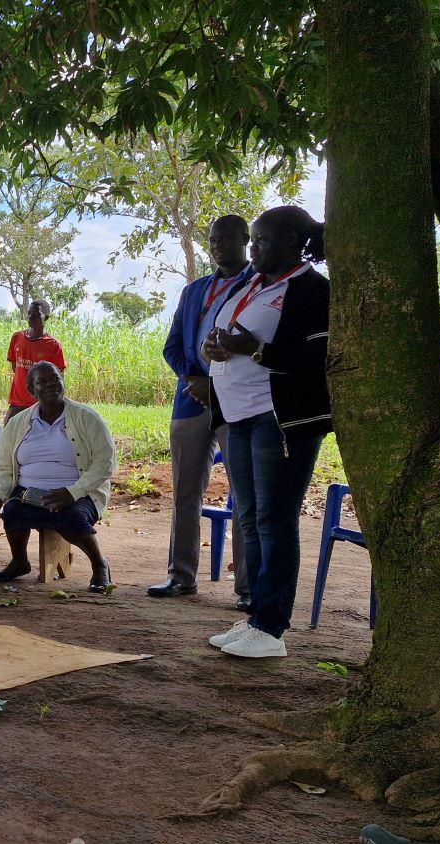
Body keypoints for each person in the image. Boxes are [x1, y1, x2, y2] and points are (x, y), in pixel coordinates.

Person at [203, 206, 331, 660]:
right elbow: (232, 334)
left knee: (276, 522)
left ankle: (272, 628)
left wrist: (253, 349)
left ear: (294, 242)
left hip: (278, 419)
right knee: (251, 519)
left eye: (262, 240)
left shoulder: (311, 289)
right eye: (252, 239)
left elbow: (315, 360)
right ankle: (257, 614)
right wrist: (214, 346)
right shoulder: (256, 283)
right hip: (237, 417)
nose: (252, 248)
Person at [149, 215, 254, 604]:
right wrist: (193, 379)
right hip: (190, 399)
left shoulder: (257, 284)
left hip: (237, 402)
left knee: (244, 495)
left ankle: (247, 588)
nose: (218, 245)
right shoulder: (194, 291)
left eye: (226, 238)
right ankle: (181, 577)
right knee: (184, 492)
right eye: (212, 240)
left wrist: (216, 384)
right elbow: (172, 346)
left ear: (245, 240)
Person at [0, 362, 116, 591]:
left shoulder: (87, 417)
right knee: (13, 510)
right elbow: (2, 466)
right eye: (42, 382)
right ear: (31, 390)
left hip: (78, 492)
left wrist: (72, 492)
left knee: (71, 518)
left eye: (55, 379)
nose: (51, 385)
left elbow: (105, 463)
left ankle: (99, 565)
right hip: (30, 492)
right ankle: (19, 562)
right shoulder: (18, 423)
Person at [5, 299, 69, 422]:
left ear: (47, 317)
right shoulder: (17, 338)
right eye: (29, 313)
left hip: (41, 404)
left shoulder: (53, 345)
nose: (30, 317)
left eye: (36, 314)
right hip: (17, 402)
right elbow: (15, 366)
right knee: (9, 436)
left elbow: (59, 376)